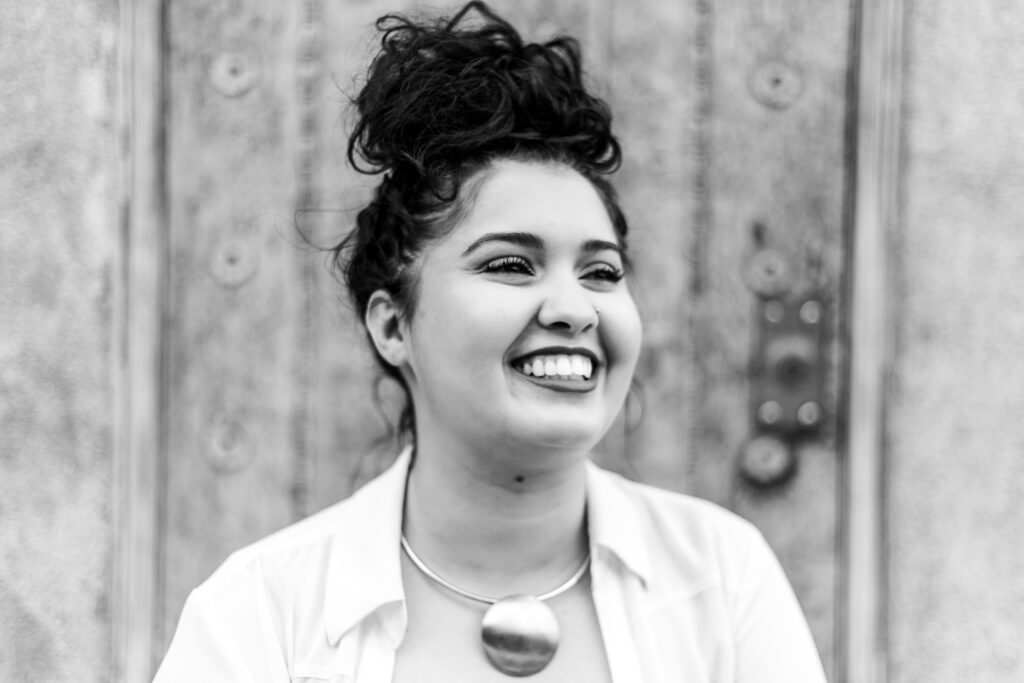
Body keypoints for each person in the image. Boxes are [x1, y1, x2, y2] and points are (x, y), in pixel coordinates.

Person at [153, 3, 827, 681]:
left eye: (601, 272)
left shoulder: (723, 579)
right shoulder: (260, 616)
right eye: (511, 264)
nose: (574, 309)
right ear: (393, 326)